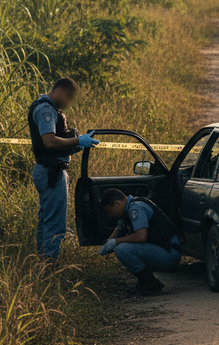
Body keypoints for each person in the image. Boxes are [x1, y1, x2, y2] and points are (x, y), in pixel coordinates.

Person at [28, 77, 100, 262]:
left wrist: (76, 143)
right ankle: (48, 264)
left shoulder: (51, 109)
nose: (69, 103)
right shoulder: (46, 109)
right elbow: (50, 141)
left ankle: (43, 262)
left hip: (50, 170)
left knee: (47, 221)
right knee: (55, 224)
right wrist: (78, 140)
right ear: (59, 90)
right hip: (51, 172)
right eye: (68, 97)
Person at [97, 188, 182, 296]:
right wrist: (107, 244)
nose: (110, 216)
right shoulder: (128, 209)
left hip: (170, 254)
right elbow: (119, 228)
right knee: (122, 247)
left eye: (109, 212)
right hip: (163, 250)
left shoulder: (136, 208)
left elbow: (141, 236)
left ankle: (150, 283)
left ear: (117, 204)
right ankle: (144, 283)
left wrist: (115, 242)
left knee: (122, 250)